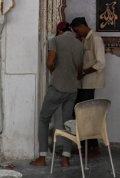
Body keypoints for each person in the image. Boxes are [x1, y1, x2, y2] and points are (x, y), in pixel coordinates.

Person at [30, 21, 83, 167]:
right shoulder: (79, 44)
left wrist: (53, 71)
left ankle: (42, 157)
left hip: (57, 87)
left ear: (59, 31)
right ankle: (65, 158)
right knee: (68, 123)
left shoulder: (56, 40)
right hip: (72, 89)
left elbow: (49, 62)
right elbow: (80, 70)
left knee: (44, 119)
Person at [70, 17, 106, 155]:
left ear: (82, 26)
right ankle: (85, 146)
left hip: (90, 83)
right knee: (79, 113)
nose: (76, 33)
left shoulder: (95, 39)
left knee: (87, 115)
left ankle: (92, 147)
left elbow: (101, 63)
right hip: (83, 83)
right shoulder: (85, 39)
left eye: (76, 30)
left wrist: (84, 72)